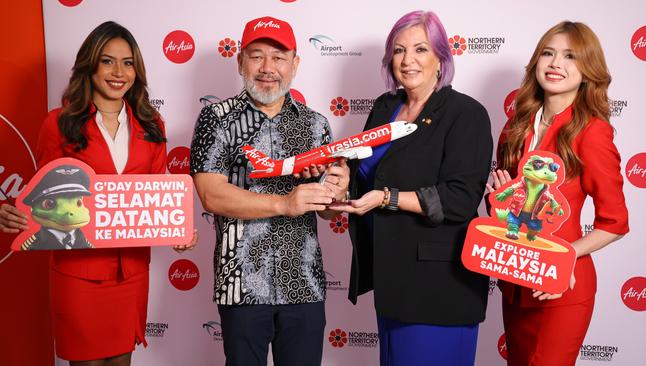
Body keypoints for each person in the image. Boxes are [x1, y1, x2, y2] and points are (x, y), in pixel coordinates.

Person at [0, 21, 196, 366]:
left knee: (122, 362)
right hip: (78, 272)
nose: (118, 72)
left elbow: (155, 195)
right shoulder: (59, 123)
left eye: (128, 62)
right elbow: (40, 195)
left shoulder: (152, 125)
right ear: (89, 66)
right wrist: (12, 213)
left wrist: (177, 227)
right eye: (107, 61)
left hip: (132, 271)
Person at [330, 10, 493, 366]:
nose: (407, 60)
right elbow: (367, 172)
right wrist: (344, 180)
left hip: (438, 286)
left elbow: (460, 199)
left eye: (420, 49)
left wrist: (386, 198)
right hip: (390, 277)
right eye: (399, 51)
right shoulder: (385, 107)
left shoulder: (466, 113)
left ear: (440, 57)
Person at [190, 16, 349, 366]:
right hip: (241, 284)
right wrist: (284, 203)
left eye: (278, 57)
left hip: (304, 283)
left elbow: (328, 210)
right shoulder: (216, 119)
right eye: (256, 55)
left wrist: (337, 192)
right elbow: (211, 195)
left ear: (295, 64)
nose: (267, 68)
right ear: (240, 61)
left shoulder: (316, 123)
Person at [489, 21, 629, 365]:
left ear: (587, 71)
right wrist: (499, 199)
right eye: (548, 53)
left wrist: (563, 259)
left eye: (570, 56)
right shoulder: (515, 126)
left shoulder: (592, 132)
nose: (555, 64)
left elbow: (616, 222)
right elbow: (509, 210)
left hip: (562, 288)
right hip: (515, 283)